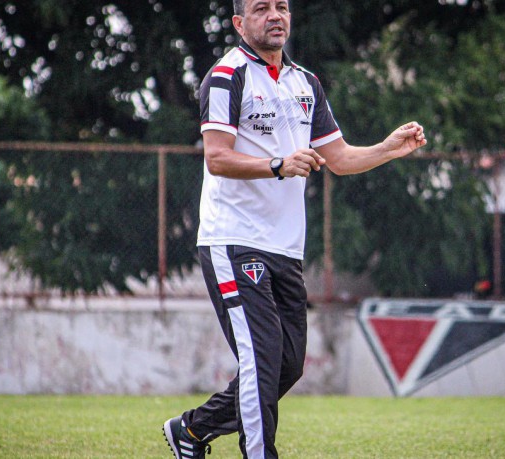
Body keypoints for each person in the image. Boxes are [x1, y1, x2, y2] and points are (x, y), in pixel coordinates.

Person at [161, 0, 426, 457]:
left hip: (285, 247)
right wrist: (278, 165)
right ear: (240, 23)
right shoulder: (226, 76)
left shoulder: (307, 83)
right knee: (263, 359)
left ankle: (192, 430)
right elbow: (217, 157)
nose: (275, 15)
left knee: (288, 366)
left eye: (281, 6)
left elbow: (339, 159)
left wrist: (386, 149)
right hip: (234, 241)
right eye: (261, 8)